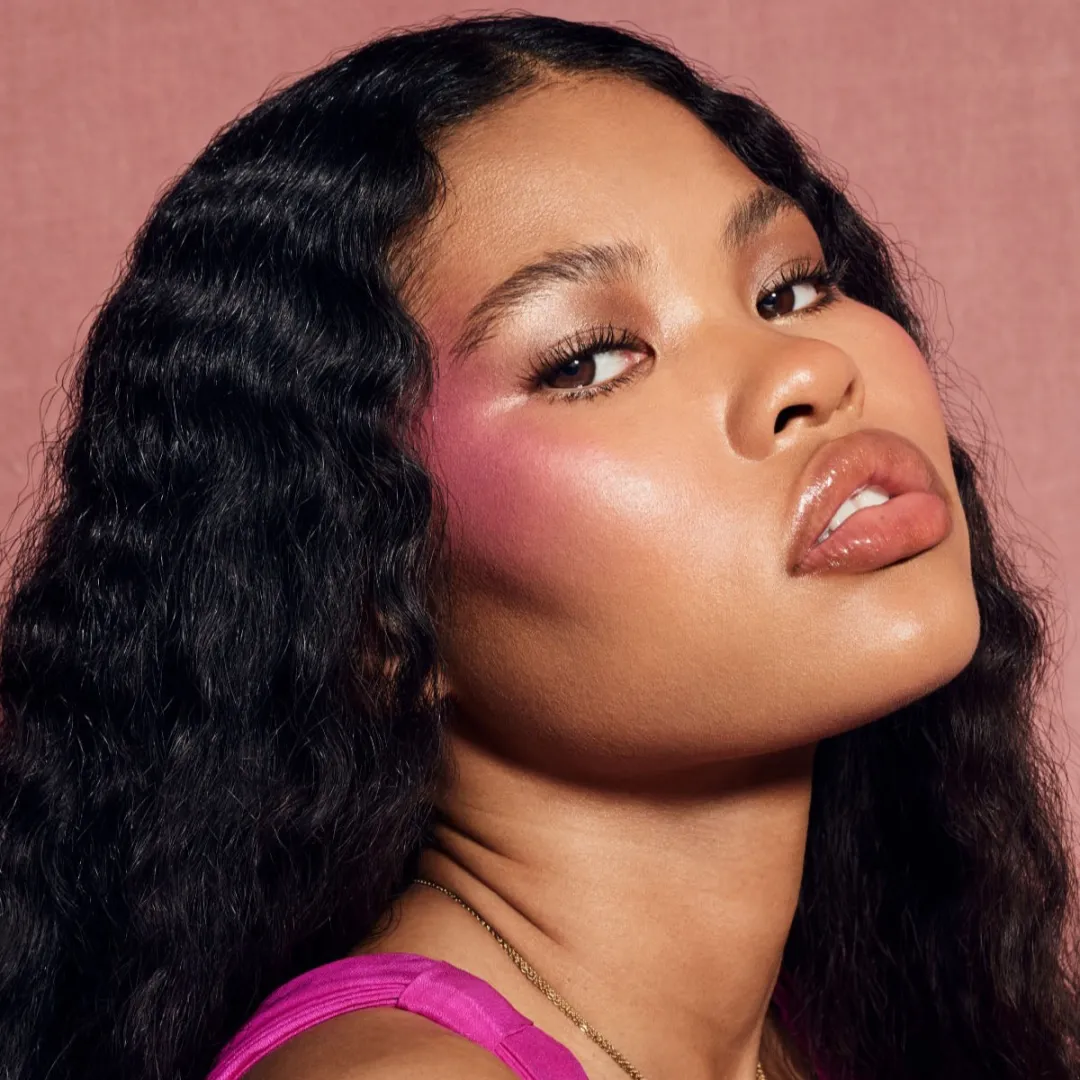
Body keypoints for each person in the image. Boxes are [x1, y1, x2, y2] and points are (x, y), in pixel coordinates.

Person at [1, 11, 1077, 1080]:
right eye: (591, 360)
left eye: (789, 287)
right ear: (372, 616)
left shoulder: (852, 1024)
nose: (807, 370)